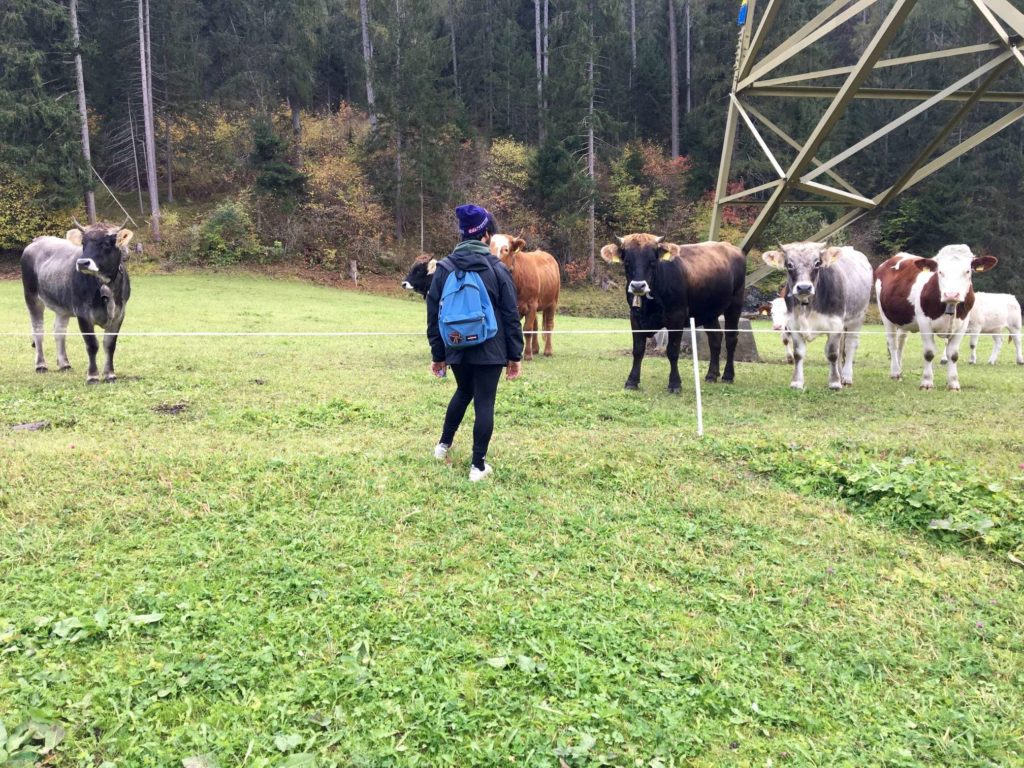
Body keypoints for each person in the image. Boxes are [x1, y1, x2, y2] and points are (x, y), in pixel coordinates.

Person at [427, 204, 524, 482]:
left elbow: (433, 315)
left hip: (456, 345)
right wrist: (514, 355)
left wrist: (438, 354)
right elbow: (510, 314)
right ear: (487, 234)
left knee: (463, 391)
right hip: (491, 348)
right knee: (484, 401)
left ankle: (442, 446)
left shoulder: (444, 268)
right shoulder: (497, 269)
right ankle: (477, 466)